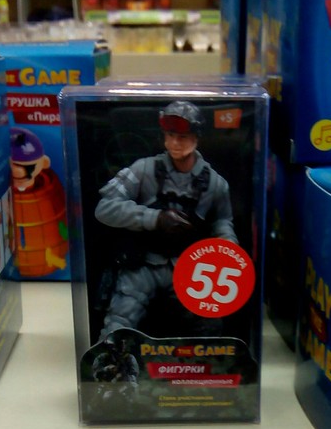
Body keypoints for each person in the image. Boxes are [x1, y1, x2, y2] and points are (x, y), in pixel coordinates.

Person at [94, 100, 237, 340]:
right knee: (120, 321)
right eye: (170, 135)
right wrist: (154, 218)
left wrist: (229, 251)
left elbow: (222, 222)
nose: (174, 143)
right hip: (143, 265)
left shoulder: (215, 183)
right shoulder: (143, 170)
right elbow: (105, 208)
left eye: (182, 137)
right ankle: (110, 359)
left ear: (196, 138)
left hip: (191, 269)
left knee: (210, 327)